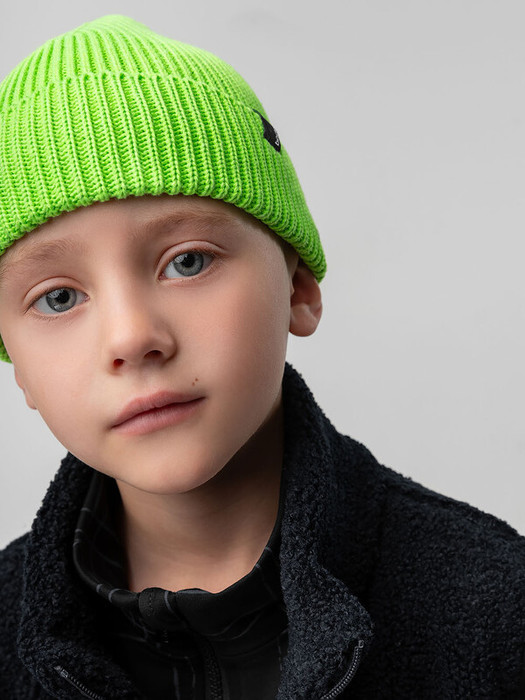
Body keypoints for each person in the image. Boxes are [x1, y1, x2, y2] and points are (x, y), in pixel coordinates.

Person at [0, 14, 523, 700]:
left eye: (187, 261)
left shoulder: (496, 609)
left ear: (298, 288)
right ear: (16, 364)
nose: (131, 338)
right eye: (59, 298)